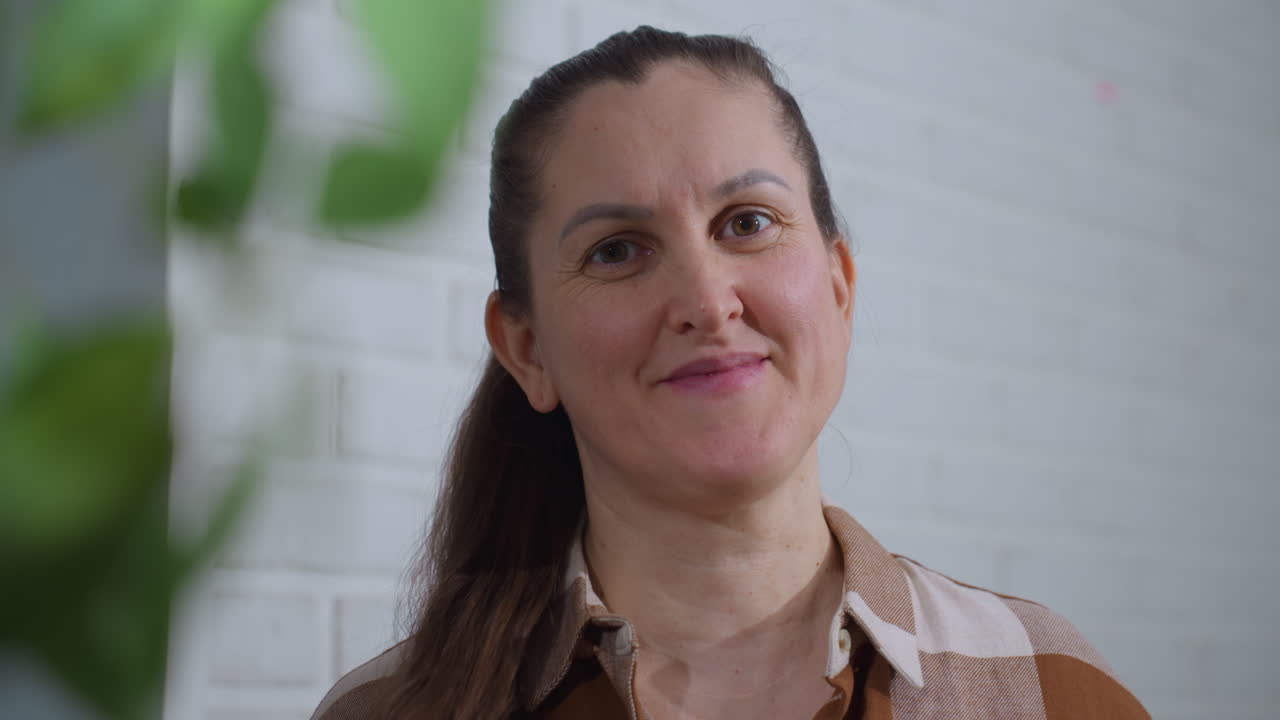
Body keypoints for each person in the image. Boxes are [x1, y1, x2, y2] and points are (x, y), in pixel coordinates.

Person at [312, 26, 1150, 720]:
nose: (707, 303)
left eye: (747, 222)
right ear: (527, 350)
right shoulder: (386, 710)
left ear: (839, 286)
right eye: (618, 251)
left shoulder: (1048, 687)